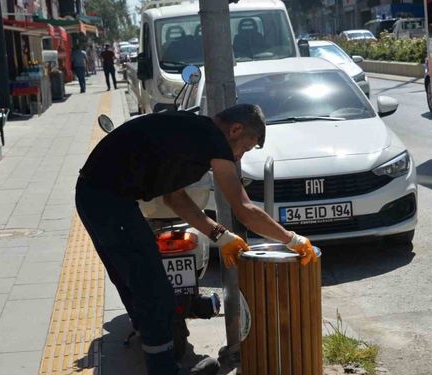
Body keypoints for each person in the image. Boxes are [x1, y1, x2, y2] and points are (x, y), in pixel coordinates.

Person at [75, 104, 317, 375]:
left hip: (94, 197)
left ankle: (162, 361)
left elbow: (175, 198)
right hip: (109, 201)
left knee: (136, 285)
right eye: (244, 149)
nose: (238, 157)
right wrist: (292, 238)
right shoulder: (211, 138)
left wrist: (221, 236)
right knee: (153, 291)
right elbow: (244, 208)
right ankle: (165, 370)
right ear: (235, 130)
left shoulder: (188, 135)